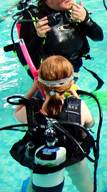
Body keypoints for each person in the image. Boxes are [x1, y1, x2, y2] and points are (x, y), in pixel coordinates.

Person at [13, 55, 95, 192]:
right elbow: (90, 124)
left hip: (40, 158)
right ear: (71, 83)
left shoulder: (31, 109)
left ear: (40, 84)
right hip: (72, 156)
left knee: (35, 182)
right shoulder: (79, 107)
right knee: (85, 184)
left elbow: (17, 114)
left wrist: (33, 89)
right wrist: (77, 100)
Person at [17, 0, 104, 78]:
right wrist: (38, 36)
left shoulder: (76, 12)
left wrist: (86, 19)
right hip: (50, 76)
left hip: (74, 70)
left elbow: (99, 38)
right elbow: (24, 59)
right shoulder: (34, 19)